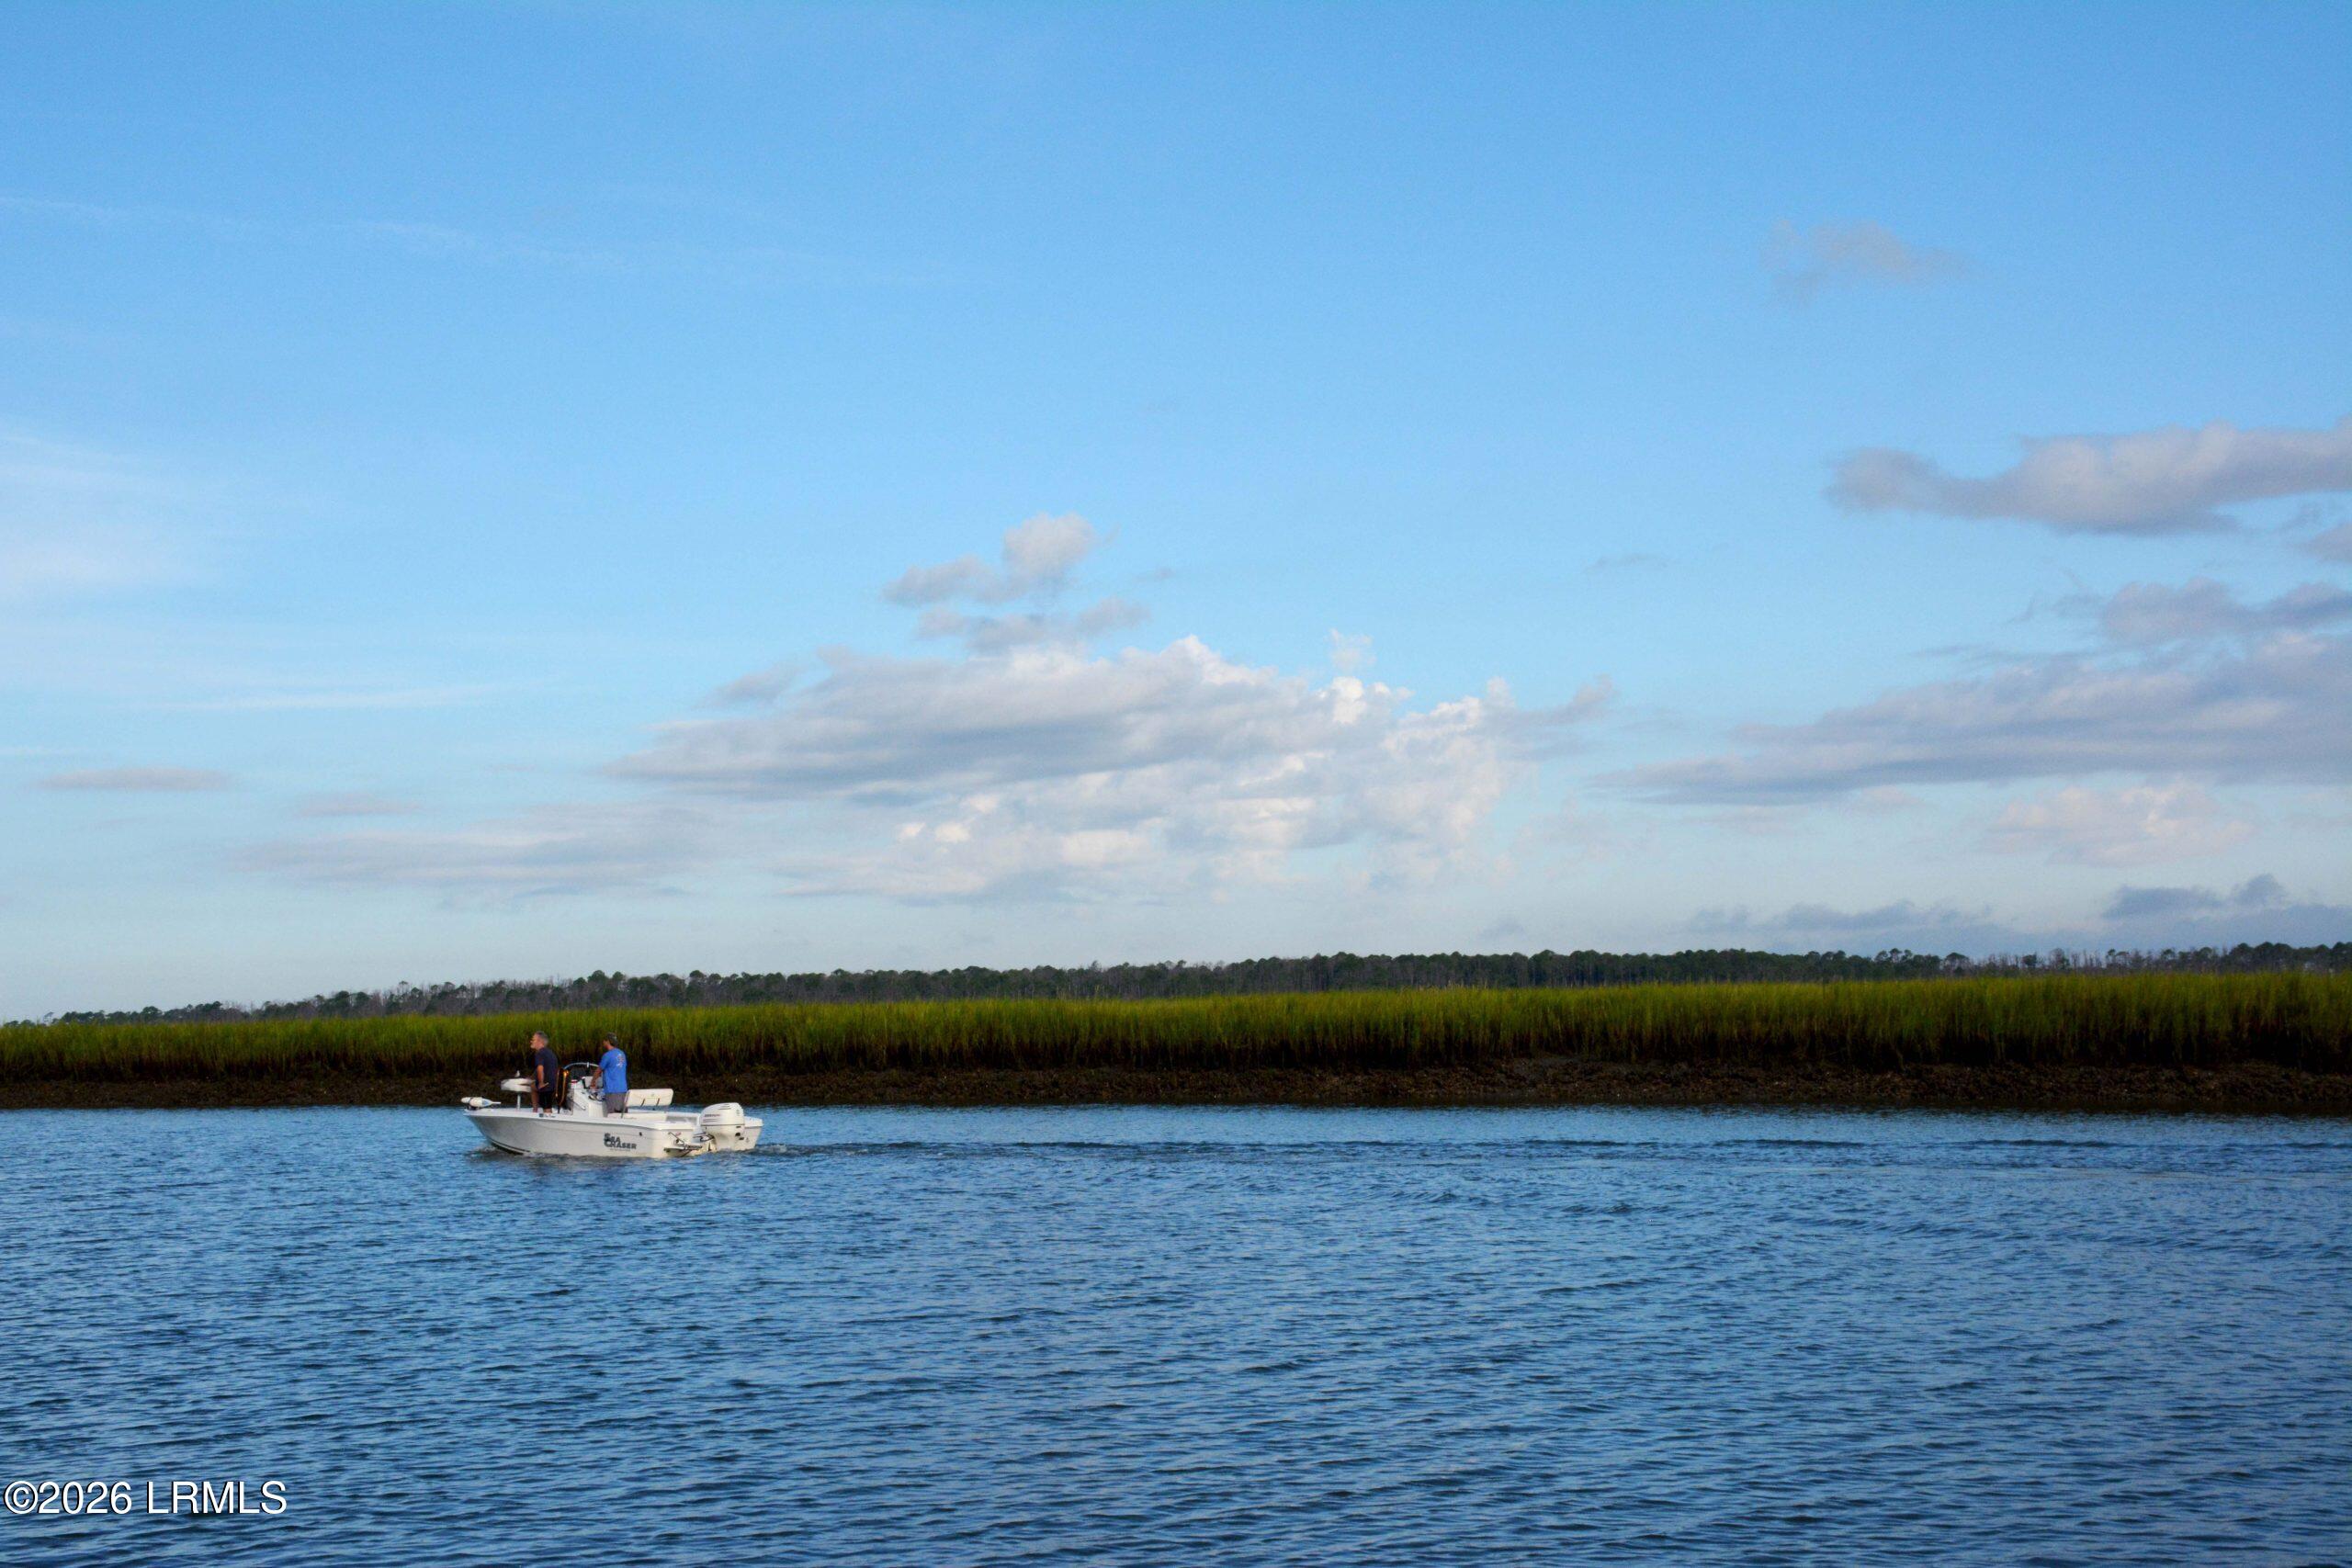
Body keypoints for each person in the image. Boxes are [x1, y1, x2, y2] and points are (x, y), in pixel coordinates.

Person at [594, 1033, 629, 1117]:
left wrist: (592, 1082)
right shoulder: (622, 1054)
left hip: (612, 1090)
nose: (603, 1042)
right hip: (623, 1090)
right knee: (623, 1116)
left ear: (608, 1042)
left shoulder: (607, 1055)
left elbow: (598, 1070)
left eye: (604, 1040)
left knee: (613, 1115)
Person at [529, 1031, 561, 1115]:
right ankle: (535, 1111)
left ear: (540, 1041)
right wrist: (531, 1078)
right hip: (553, 1083)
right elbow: (545, 1068)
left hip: (546, 1085)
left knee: (547, 1107)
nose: (531, 1041)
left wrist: (541, 1083)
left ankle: (543, 1115)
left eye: (533, 1039)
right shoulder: (549, 1053)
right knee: (532, 1086)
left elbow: (540, 1068)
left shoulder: (540, 1053)